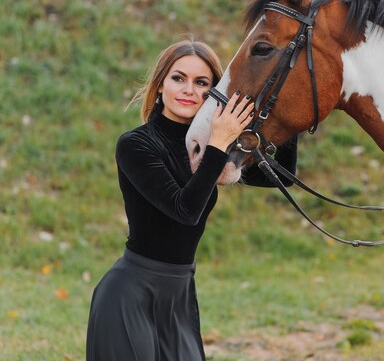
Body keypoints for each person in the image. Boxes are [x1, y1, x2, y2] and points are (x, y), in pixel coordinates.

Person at [86, 39, 297, 360]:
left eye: (202, 83)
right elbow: (185, 210)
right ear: (160, 86)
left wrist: (288, 114)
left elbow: (281, 177)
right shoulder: (135, 145)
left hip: (180, 297)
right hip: (129, 296)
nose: (189, 90)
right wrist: (219, 141)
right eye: (178, 78)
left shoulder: (209, 147)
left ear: (214, 92)